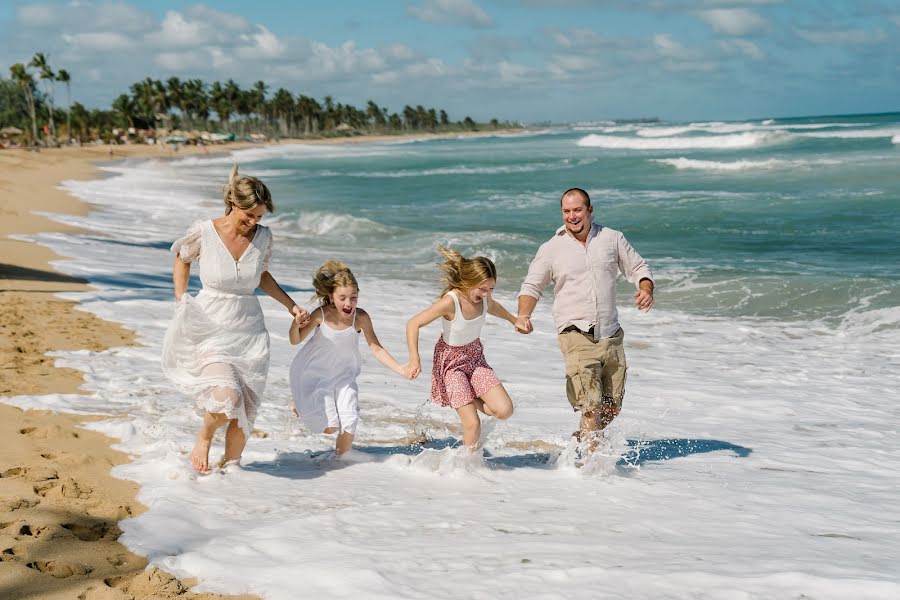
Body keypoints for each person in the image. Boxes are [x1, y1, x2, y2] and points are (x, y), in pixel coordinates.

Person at [162, 164, 309, 473]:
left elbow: (262, 277)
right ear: (233, 205)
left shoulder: (264, 237)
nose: (254, 222)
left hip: (250, 330)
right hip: (209, 324)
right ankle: (204, 436)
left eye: (259, 217)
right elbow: (181, 257)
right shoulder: (204, 231)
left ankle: (232, 471)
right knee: (227, 395)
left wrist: (291, 306)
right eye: (249, 216)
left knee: (246, 408)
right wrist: (181, 297)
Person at [517, 187, 654, 447]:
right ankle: (591, 468)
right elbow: (532, 287)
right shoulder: (551, 248)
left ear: (590, 210)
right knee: (590, 407)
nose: (572, 216)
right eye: (566, 211)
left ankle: (580, 441)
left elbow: (637, 267)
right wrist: (524, 315)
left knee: (611, 408)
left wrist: (645, 288)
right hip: (575, 333)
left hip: (611, 335)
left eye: (577, 210)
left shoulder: (612, 238)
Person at [406, 245, 527, 451]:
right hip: (451, 364)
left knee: (504, 410)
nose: (487, 293)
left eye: (491, 289)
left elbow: (494, 307)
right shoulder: (450, 302)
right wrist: (414, 360)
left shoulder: (485, 298)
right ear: (468, 282)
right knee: (472, 424)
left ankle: (469, 395)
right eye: (482, 288)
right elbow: (413, 323)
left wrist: (513, 319)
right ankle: (467, 467)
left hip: (475, 357)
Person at [289, 261, 409, 455]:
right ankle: (301, 404)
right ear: (331, 297)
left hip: (344, 375)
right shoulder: (321, 314)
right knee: (329, 427)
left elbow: (376, 348)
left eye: (353, 297)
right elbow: (295, 340)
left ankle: (340, 461)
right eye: (342, 297)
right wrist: (295, 325)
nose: (348, 303)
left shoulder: (361, 318)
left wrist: (401, 369)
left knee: (350, 420)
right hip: (314, 373)